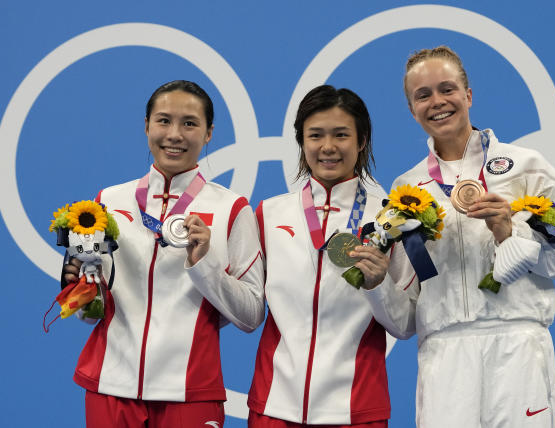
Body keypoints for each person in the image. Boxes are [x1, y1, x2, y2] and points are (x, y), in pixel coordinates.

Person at [370, 46, 555, 427]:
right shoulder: (407, 188)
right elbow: (406, 316)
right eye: (423, 95)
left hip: (516, 346)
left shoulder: (527, 166)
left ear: (468, 95)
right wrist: (375, 285)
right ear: (411, 109)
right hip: (444, 355)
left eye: (447, 89)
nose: (437, 102)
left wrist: (511, 232)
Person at [62, 80, 265, 427]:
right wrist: (81, 290)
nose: (175, 134)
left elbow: (251, 315)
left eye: (189, 123)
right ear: (146, 126)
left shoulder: (233, 209)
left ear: (209, 133)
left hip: (189, 391)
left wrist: (205, 265)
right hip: (110, 385)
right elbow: (90, 314)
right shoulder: (107, 201)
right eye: (163, 121)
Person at [247, 85, 417, 427]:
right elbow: (249, 309)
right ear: (301, 141)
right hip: (274, 404)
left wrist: (378, 284)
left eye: (341, 135)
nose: (328, 147)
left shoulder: (397, 218)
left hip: (356, 407)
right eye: (315, 135)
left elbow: (407, 325)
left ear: (362, 140)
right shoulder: (268, 214)